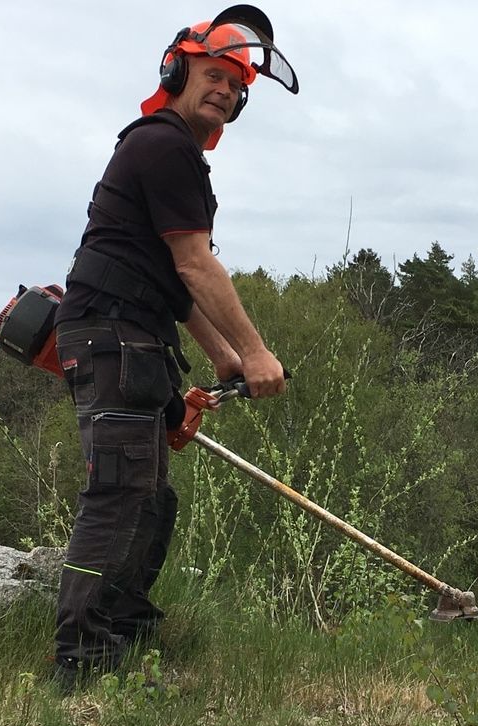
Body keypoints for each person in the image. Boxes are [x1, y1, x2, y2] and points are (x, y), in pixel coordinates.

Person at [50, 5, 299, 687]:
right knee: (119, 494)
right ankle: (80, 663)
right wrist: (255, 351)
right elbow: (195, 264)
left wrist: (221, 355)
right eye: (214, 75)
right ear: (177, 71)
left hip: (136, 334)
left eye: (235, 86)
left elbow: (174, 282)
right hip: (113, 333)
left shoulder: (174, 155)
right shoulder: (163, 145)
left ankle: (122, 635)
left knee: (153, 499)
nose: (224, 90)